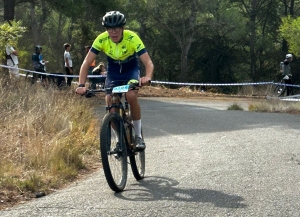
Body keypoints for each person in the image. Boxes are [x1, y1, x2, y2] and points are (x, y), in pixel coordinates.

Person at [76, 11, 154, 150]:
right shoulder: (101, 39)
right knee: (110, 104)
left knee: (131, 95)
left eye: (117, 28)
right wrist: (81, 84)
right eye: (109, 28)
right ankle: (119, 140)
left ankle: (138, 137)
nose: (113, 32)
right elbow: (86, 63)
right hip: (113, 72)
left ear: (123, 28)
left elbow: (148, 63)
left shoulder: (132, 38)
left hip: (130, 70)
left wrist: (147, 77)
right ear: (106, 29)